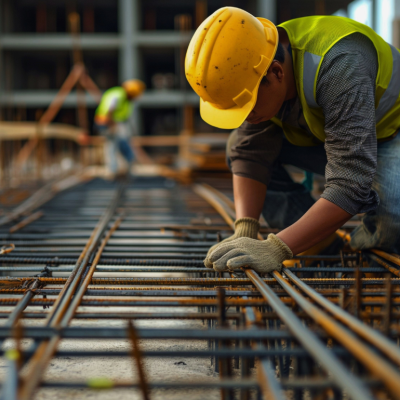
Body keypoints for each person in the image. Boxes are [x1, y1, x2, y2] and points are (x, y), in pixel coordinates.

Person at [185, 7, 400, 274]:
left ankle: (370, 265)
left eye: (247, 106)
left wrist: (277, 248)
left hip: (389, 133)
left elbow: (350, 182)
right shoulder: (254, 59)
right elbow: (250, 152)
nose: (245, 117)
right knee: (236, 146)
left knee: (393, 218)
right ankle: (321, 244)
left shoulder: (339, 65)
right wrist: (246, 229)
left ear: (276, 73)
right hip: (331, 134)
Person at [94, 79, 145, 176]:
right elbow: (110, 109)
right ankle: (114, 170)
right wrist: (111, 124)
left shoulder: (125, 97)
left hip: (114, 122)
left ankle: (123, 168)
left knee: (118, 144)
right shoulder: (118, 95)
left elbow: (122, 114)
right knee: (113, 145)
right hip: (107, 122)